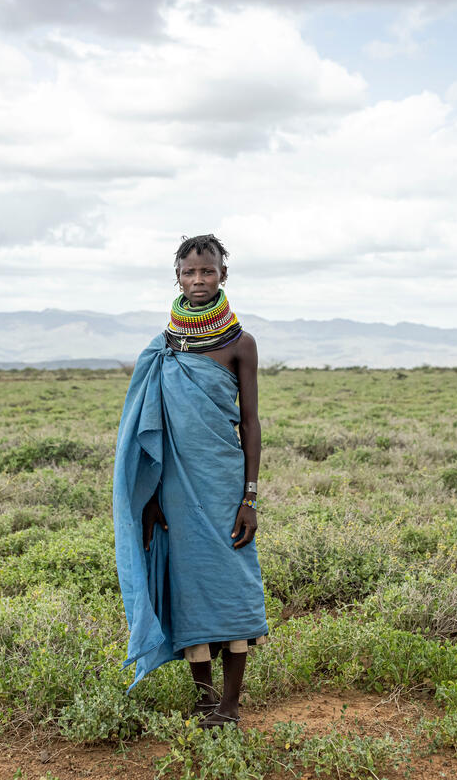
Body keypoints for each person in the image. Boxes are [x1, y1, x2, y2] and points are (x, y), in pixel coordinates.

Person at [112, 234, 267, 729]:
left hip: (224, 485)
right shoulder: (163, 349)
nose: (198, 281)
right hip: (175, 489)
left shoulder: (240, 344)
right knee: (187, 583)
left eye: (208, 271)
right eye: (188, 272)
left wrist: (250, 497)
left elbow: (251, 423)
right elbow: (152, 432)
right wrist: (152, 498)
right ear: (176, 277)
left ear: (224, 274)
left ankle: (231, 704)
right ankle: (203, 700)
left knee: (232, 583)